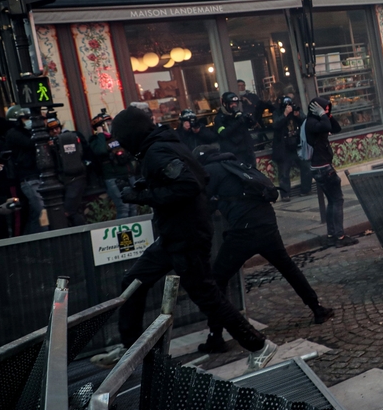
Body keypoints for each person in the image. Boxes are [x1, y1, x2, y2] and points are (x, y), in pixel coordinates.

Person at [93, 107, 277, 371]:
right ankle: (130, 346)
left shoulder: (157, 151)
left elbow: (190, 186)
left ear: (131, 135)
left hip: (186, 235)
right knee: (133, 282)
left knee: (207, 296)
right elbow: (195, 177)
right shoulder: (162, 145)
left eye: (122, 139)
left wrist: (141, 196)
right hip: (173, 234)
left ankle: (259, 345)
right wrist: (146, 187)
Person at [193, 143, 333, 353]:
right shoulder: (234, 163)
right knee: (287, 267)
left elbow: (203, 205)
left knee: (217, 279)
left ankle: (216, 336)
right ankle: (318, 309)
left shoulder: (210, 172)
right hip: (267, 224)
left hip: (244, 232)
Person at [304, 97, 357, 248]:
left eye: (327, 109)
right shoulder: (312, 123)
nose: (326, 112)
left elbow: (336, 128)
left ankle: (332, 235)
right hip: (323, 168)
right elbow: (325, 125)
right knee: (337, 200)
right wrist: (322, 115)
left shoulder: (319, 120)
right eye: (323, 109)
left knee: (332, 201)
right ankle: (339, 236)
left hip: (321, 167)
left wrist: (328, 115)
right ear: (315, 109)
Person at [88, 110, 137, 220]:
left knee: (133, 206)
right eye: (105, 123)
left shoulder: (118, 135)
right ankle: (125, 234)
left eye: (110, 122)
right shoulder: (96, 140)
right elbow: (100, 151)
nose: (108, 125)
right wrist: (100, 133)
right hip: (113, 178)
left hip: (128, 175)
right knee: (123, 207)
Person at [4, 106, 45, 234]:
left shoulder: (24, 132)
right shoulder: (14, 134)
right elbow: (31, 143)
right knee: (41, 210)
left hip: (34, 175)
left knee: (35, 213)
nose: (29, 121)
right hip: (28, 177)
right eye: (26, 118)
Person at [48, 116, 89, 226]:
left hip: (75, 179)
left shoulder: (69, 138)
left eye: (57, 128)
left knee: (69, 211)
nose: (55, 131)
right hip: (66, 180)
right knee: (71, 211)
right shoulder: (53, 142)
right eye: (51, 130)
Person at [271, 96, 311, 201]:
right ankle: (285, 195)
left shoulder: (295, 110)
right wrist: (285, 114)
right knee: (284, 172)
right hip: (284, 148)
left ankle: (305, 190)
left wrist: (298, 116)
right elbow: (275, 124)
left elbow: (306, 122)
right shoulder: (277, 113)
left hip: (297, 146)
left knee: (306, 166)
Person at [215, 92, 256, 166]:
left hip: (247, 152)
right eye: (231, 104)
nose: (234, 105)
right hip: (233, 154)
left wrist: (250, 119)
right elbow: (223, 133)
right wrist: (238, 122)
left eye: (235, 103)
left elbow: (251, 126)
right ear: (225, 104)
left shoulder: (239, 115)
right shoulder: (219, 118)